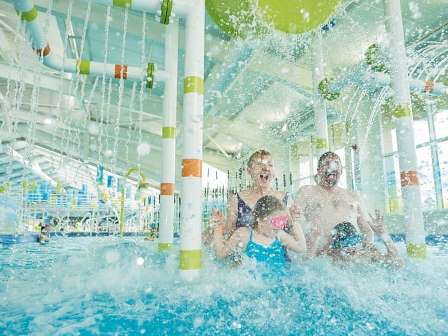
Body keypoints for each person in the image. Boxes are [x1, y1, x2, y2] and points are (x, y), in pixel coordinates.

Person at [205, 149, 301, 244]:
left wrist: (292, 221)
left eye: (270, 165)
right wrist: (218, 226)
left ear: (274, 172)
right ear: (249, 171)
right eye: (259, 164)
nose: (266, 168)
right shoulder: (237, 200)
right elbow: (228, 235)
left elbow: (296, 242)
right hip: (246, 258)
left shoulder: (286, 199)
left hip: (278, 257)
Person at [293, 151, 374, 256]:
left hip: (349, 255)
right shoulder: (307, 192)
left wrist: (365, 251)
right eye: (326, 164)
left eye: (335, 164)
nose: (330, 168)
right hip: (320, 259)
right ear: (318, 171)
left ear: (341, 170)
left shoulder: (354, 196)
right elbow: (292, 222)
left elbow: (367, 231)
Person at [212, 195, 306, 273]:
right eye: (276, 221)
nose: (280, 226)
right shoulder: (244, 235)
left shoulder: (279, 235)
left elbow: (301, 248)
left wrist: (294, 222)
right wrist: (218, 227)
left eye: (283, 221)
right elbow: (220, 254)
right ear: (260, 220)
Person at [320, 211, 403, 266]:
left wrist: (382, 233)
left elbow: (398, 263)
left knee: (368, 236)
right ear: (336, 247)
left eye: (354, 242)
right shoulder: (329, 258)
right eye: (345, 244)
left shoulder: (366, 255)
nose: (350, 248)